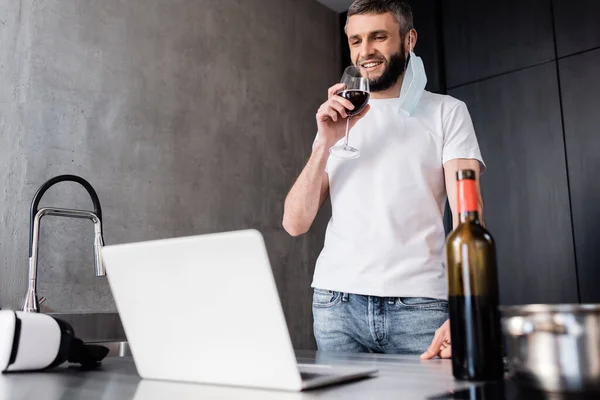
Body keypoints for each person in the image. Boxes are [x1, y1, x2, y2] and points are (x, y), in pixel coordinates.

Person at [282, 0, 485, 359]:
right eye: (356, 40)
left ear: (409, 40)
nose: (365, 51)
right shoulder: (337, 121)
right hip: (335, 305)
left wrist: (466, 307)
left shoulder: (447, 112)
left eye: (378, 37)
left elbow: (468, 218)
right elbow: (295, 223)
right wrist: (323, 145)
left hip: (420, 307)